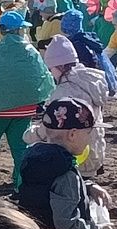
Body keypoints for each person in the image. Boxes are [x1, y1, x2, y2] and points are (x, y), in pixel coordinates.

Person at [0, 11, 54, 192]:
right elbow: (41, 76)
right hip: (24, 110)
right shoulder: (29, 51)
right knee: (20, 148)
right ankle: (20, 185)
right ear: (19, 30)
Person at [18, 99, 109, 229]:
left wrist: (88, 187)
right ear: (73, 134)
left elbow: (46, 192)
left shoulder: (36, 157)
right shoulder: (66, 172)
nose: (89, 139)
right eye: (88, 134)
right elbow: (66, 224)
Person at [36, 35, 112, 172]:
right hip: (93, 149)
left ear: (60, 66)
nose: (51, 72)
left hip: (74, 154)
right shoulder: (90, 81)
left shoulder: (64, 92)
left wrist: (31, 134)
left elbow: (50, 126)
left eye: (51, 68)